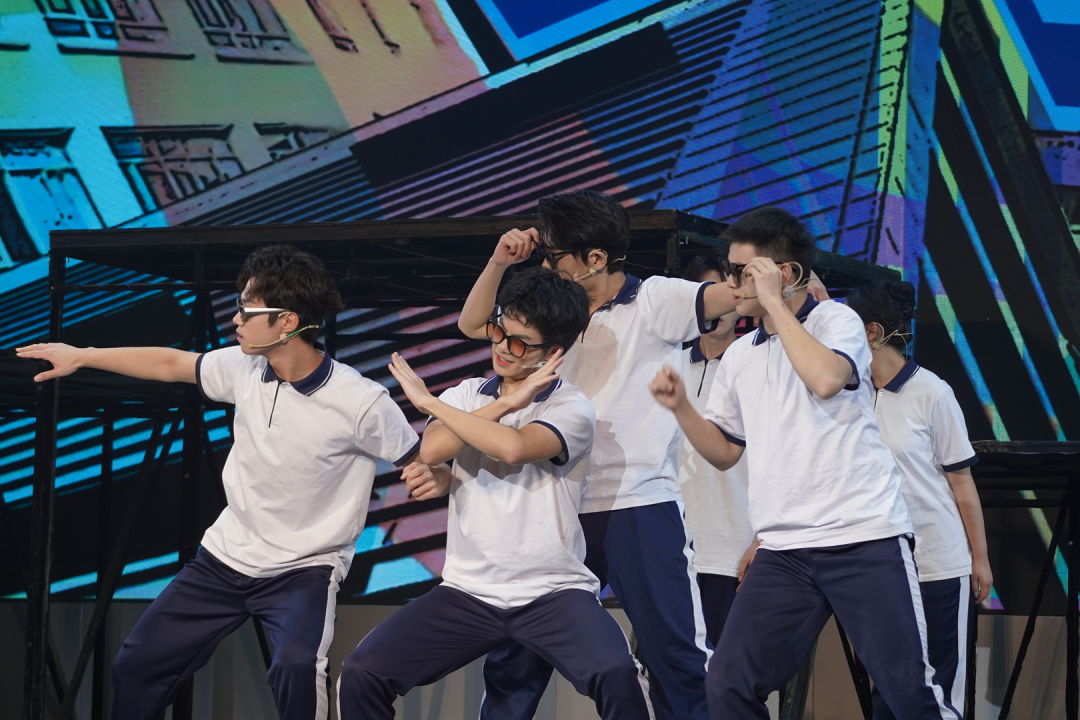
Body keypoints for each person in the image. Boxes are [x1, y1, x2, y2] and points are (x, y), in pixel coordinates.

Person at [17, 245, 441, 720]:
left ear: (287, 322)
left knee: (297, 667)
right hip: (225, 557)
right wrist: (83, 355)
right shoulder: (244, 368)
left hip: (304, 569)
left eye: (247, 309)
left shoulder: (361, 400)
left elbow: (422, 459)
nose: (236, 318)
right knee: (135, 665)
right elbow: (171, 364)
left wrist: (434, 477)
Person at [649, 206, 960, 720]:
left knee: (909, 694)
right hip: (785, 549)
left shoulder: (836, 320)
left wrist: (776, 304)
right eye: (730, 272)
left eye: (742, 272)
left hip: (862, 536)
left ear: (786, 273)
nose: (731, 284)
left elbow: (826, 379)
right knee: (726, 684)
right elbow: (725, 451)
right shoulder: (742, 355)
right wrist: (682, 407)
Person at [454, 190, 753, 720]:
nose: (546, 263)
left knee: (675, 654)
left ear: (595, 257)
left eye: (554, 255)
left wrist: (781, 286)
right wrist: (500, 262)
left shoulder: (654, 299)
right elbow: (474, 325)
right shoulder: (553, 304)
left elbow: (727, 298)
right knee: (516, 659)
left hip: (638, 503)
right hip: (554, 505)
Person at [337, 267, 654, 720]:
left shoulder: (571, 407)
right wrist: (504, 403)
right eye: (500, 331)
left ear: (553, 353)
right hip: (468, 591)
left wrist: (429, 403)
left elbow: (514, 447)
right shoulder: (468, 394)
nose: (503, 348)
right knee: (362, 672)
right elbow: (433, 449)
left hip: (552, 592)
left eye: (521, 342)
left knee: (616, 672)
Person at [846, 279, 992, 719]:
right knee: (890, 689)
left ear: (871, 332)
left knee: (939, 689)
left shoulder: (932, 392)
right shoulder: (851, 393)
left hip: (938, 562)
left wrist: (979, 558)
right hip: (883, 566)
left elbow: (961, 482)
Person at [677, 254, 753, 648]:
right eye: (709, 294)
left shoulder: (756, 366)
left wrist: (764, 541)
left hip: (736, 551)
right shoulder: (668, 365)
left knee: (728, 674)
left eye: (728, 292)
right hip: (675, 551)